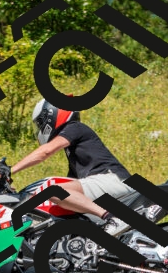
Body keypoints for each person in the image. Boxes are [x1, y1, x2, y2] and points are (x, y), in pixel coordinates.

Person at [8, 98, 133, 236]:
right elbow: (70, 185)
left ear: (50, 116)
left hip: (112, 179)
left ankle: (112, 219)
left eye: (40, 123)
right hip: (106, 182)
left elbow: (45, 152)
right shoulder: (73, 151)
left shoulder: (74, 128)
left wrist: (10, 170)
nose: (39, 128)